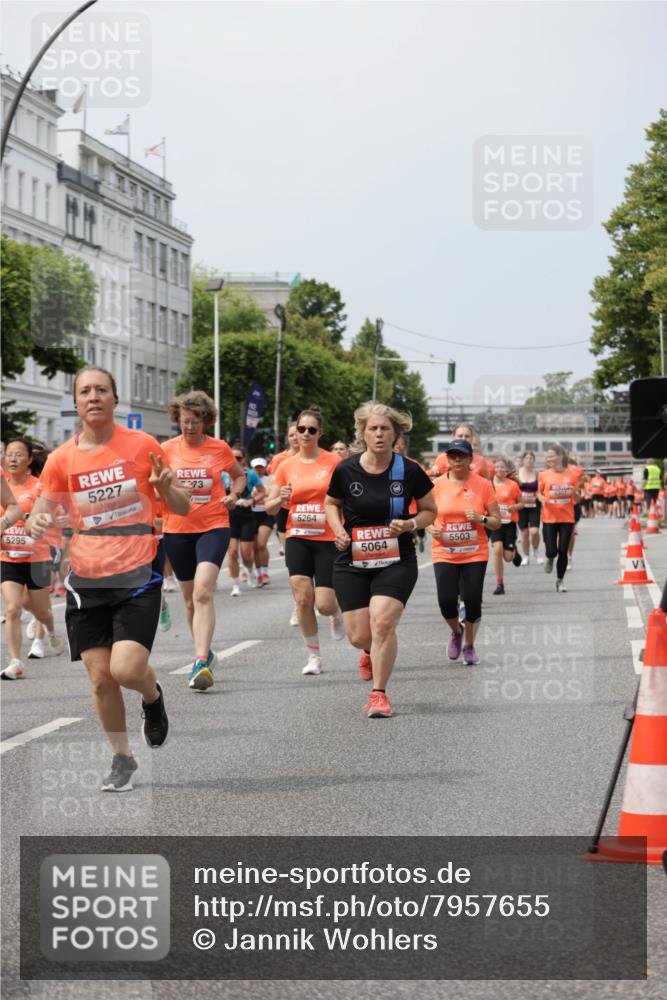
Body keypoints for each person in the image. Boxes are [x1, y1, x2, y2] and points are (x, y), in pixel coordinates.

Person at [27, 366, 190, 791]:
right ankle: (122, 758)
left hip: (137, 572)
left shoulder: (142, 445)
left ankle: (152, 699)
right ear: (77, 402)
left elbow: (182, 506)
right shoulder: (63, 459)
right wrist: (38, 521)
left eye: (101, 390)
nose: (94, 396)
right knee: (100, 679)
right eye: (85, 391)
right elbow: (42, 510)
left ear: (115, 399)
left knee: (126, 669)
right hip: (87, 577)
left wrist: (167, 487)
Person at [325, 402, 436, 718]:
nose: (379, 433)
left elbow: (430, 511)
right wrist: (337, 530)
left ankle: (379, 694)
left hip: (396, 558)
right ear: (362, 432)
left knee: (383, 622)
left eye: (385, 428)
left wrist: (411, 524)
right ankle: (367, 651)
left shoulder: (409, 470)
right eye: (372, 428)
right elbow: (331, 503)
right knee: (360, 635)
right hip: (352, 558)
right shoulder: (346, 469)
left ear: (395, 433)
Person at [162, 391, 246, 690]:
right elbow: (157, 485)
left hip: (213, 525)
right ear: (177, 420)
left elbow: (239, 477)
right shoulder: (166, 449)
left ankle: (199, 661)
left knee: (202, 593)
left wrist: (234, 495)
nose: (189, 427)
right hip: (177, 528)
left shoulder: (219, 448)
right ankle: (205, 650)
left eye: (195, 421)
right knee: (188, 600)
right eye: (185, 421)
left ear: (206, 421)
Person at [266, 406, 345, 675]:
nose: (306, 434)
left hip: (327, 538)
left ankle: (335, 613)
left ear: (320, 433)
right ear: (295, 432)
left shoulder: (333, 462)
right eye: (301, 429)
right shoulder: (285, 465)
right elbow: (269, 507)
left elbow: (346, 496)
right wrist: (281, 499)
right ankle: (314, 658)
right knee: (302, 599)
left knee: (323, 604)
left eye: (312, 430)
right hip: (298, 536)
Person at [429, 439, 501, 666]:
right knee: (446, 602)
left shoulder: (483, 485)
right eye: (452, 456)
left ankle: (469, 645)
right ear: (447, 460)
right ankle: (456, 631)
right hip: (445, 551)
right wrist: (432, 528)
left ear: (471, 459)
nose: (457, 459)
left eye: (461, 455)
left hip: (474, 553)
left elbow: (497, 522)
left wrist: (481, 518)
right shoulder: (436, 485)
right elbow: (425, 516)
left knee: (472, 600)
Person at [1, 439, 65, 679]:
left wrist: (40, 520)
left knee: (41, 610)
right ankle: (15, 661)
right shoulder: (2, 487)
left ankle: (48, 630)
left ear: (29, 460)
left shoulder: (38, 486)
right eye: (9, 454)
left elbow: (51, 515)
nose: (13, 458)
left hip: (36, 557)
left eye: (19, 454)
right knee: (12, 608)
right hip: (7, 557)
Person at [537, 444, 579, 592]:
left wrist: (576, 493)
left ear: (561, 456)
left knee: (563, 550)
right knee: (552, 551)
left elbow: (577, 497)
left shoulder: (571, 475)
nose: (549, 459)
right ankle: (549, 558)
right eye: (547, 457)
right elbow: (539, 493)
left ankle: (560, 580)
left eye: (551, 456)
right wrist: (541, 498)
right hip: (549, 517)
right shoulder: (543, 475)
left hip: (567, 518)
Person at [225, 445, 263, 596]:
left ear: (243, 459)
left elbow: (262, 492)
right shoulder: (223, 475)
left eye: (238, 458)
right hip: (229, 516)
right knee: (233, 552)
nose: (235, 460)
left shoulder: (251, 475)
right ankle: (235, 585)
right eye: (232, 457)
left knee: (246, 553)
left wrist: (251, 501)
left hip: (246, 516)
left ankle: (249, 570)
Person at [490, 457, 524, 594]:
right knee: (497, 549)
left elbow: (522, 503)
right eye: (497, 467)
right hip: (495, 522)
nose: (499, 469)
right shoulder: (488, 484)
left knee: (508, 558)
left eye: (502, 467)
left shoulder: (513, 485)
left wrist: (514, 507)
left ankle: (514, 552)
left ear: (507, 470)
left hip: (509, 523)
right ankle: (500, 584)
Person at [268, 421, 299, 556]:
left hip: (305, 508)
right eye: (291, 435)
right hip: (284, 508)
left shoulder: (314, 457)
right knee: (291, 556)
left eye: (297, 434)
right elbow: (273, 483)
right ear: (287, 438)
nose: (294, 438)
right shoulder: (279, 459)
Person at [428, 423, 493, 480]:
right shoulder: (442, 458)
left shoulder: (481, 460)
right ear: (453, 437)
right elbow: (435, 480)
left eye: (467, 436)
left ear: (472, 438)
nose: (463, 439)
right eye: (460, 436)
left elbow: (487, 483)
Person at [250, 456, 274, 587]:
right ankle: (259, 573)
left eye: (261, 467)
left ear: (265, 468)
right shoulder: (248, 479)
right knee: (253, 546)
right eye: (256, 468)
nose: (259, 470)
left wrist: (259, 496)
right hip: (251, 515)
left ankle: (264, 572)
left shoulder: (269, 480)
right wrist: (262, 496)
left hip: (266, 514)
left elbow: (270, 495)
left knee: (261, 544)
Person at [517, 450, 542, 564]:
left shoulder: (537, 474)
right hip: (521, 506)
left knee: (534, 531)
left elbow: (539, 491)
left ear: (534, 460)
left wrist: (542, 498)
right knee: (524, 533)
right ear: (523, 460)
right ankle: (525, 556)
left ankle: (535, 551)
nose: (529, 460)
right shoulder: (517, 473)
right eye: (526, 458)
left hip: (534, 505)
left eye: (531, 458)